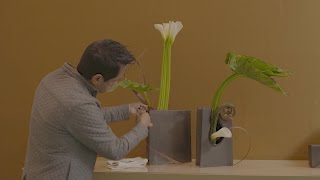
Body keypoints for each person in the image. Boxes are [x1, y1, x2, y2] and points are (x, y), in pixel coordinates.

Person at [22, 39, 153, 180]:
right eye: (116, 80)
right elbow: (115, 150)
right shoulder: (79, 104)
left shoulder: (53, 79)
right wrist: (142, 126)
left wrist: (126, 110)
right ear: (97, 79)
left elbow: (78, 119)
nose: (118, 83)